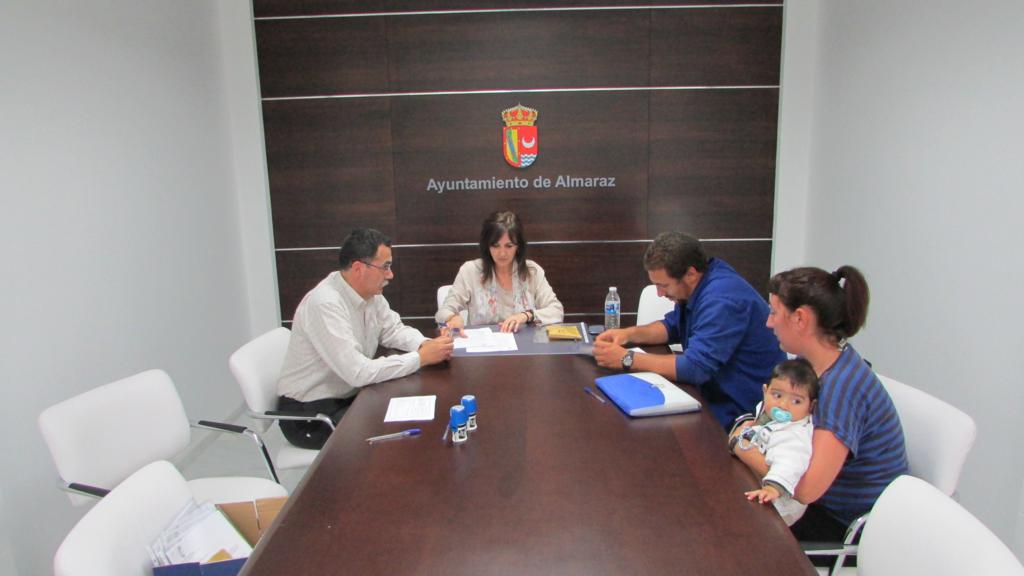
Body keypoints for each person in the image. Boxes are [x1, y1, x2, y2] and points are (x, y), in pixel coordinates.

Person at [766, 266, 908, 542]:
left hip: (843, 525)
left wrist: (742, 446)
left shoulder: (841, 387)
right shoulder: (813, 364)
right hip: (819, 506)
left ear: (800, 318)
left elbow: (806, 489)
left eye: (773, 313)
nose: (768, 323)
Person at [277, 228, 454, 449]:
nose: (390, 275)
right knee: (394, 435)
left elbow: (393, 330)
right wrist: (420, 358)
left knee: (417, 413)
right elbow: (358, 372)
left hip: (348, 396)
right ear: (359, 268)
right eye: (385, 267)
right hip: (311, 415)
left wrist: (425, 344)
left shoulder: (370, 295)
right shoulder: (325, 304)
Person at [593, 231, 787, 428]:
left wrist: (626, 359)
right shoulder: (704, 279)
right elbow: (672, 326)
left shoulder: (722, 299)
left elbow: (696, 368)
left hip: (740, 412)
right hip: (713, 393)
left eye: (663, 285)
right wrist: (628, 334)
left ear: (691, 273)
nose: (659, 293)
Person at [435, 211, 564, 333]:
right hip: (483, 346)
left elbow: (556, 311)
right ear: (487, 246)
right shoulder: (470, 271)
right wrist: (452, 318)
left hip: (524, 345)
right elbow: (443, 311)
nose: (502, 253)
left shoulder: (532, 272)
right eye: (496, 246)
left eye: (509, 246)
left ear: (518, 246)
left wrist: (526, 315)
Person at [728, 359, 818, 526]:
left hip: (780, 505)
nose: (783, 405)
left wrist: (772, 488)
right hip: (755, 481)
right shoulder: (768, 413)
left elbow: (790, 463)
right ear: (765, 391)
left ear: (811, 406)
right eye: (777, 395)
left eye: (796, 401)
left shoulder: (795, 435)